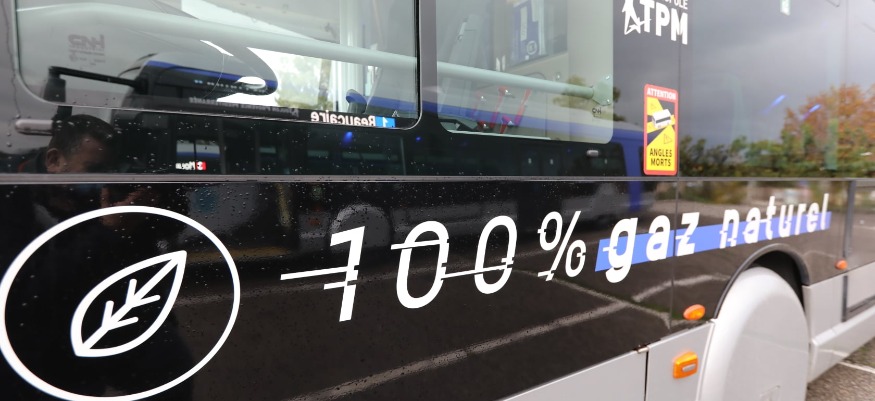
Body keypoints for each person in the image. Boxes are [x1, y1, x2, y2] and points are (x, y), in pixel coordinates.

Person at [1, 114, 193, 400]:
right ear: (54, 160)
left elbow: (166, 228)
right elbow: (26, 292)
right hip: (35, 334)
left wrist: (152, 201)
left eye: (110, 170)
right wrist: (109, 231)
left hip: (99, 312)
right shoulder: (12, 197)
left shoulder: (94, 189)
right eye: (94, 169)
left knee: (170, 366)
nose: (103, 179)